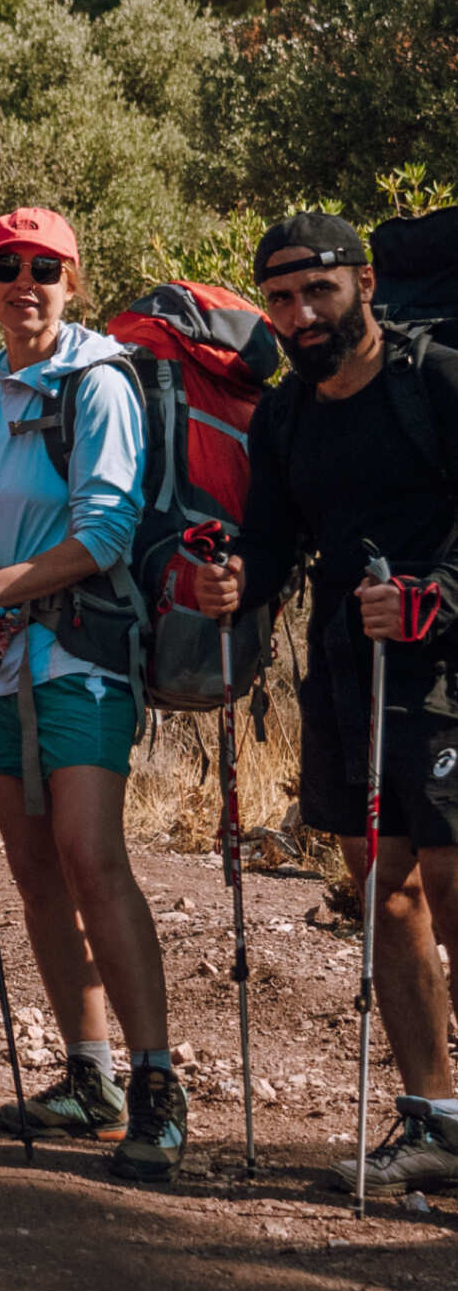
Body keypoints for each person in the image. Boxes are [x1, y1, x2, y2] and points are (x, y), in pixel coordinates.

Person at [0, 206, 185, 1183]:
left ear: (71, 282)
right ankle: (89, 1075)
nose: (25, 283)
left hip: (80, 659)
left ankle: (154, 1085)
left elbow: (103, 532)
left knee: (90, 855)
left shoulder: (97, 383)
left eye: (44, 269)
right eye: (6, 268)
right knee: (34, 875)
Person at [194, 211, 458, 1195]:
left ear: (361, 281)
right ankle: (435, 1120)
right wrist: (231, 580)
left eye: (317, 290)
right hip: (345, 664)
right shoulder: (286, 414)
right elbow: (269, 544)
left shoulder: (431, 379)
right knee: (379, 882)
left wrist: (435, 596)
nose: (300, 314)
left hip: (442, 661)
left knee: (450, 876)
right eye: (279, 298)